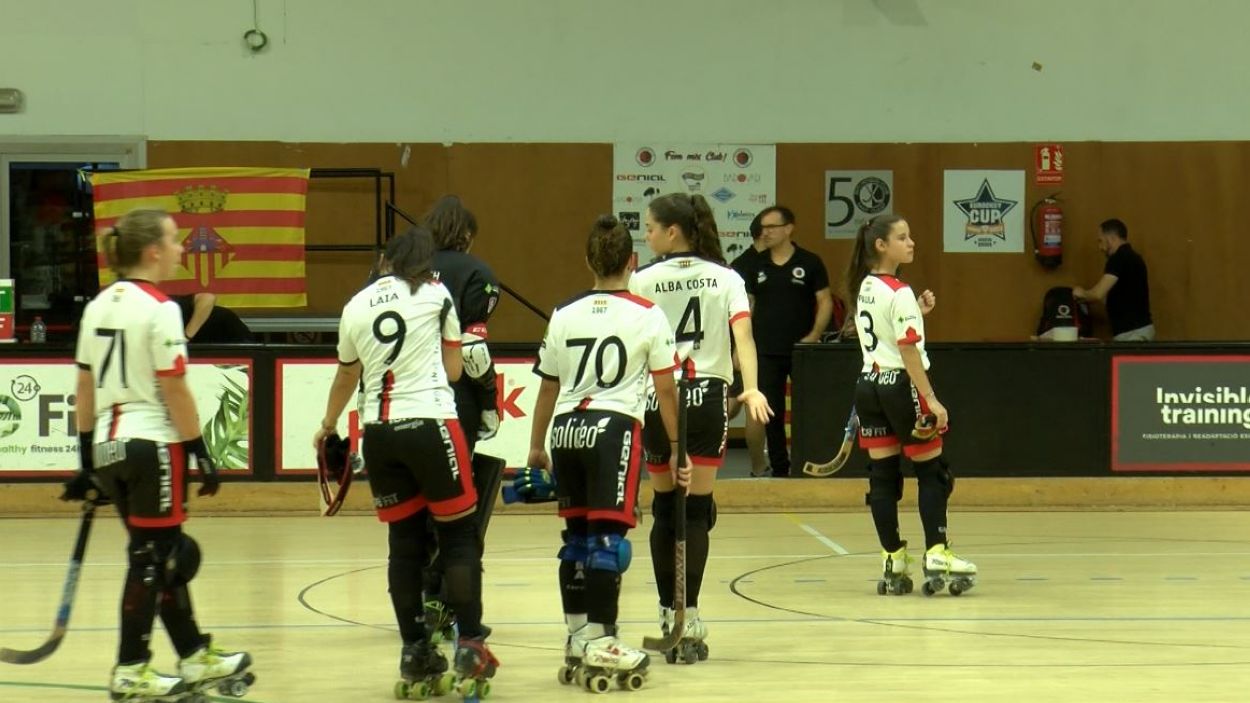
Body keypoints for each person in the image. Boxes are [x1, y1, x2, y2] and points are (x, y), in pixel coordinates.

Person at [61, 208, 250, 700]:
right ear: (152, 251)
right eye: (174, 241)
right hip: (152, 444)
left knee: (161, 556)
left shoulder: (99, 305)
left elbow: (83, 387)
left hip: (109, 443)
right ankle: (131, 668)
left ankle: (192, 655)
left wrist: (86, 461)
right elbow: (175, 390)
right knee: (154, 559)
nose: (182, 249)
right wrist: (200, 450)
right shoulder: (161, 308)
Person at [314, 226, 498, 695]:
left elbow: (346, 374)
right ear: (424, 263)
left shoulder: (356, 305)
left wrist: (328, 424)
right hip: (432, 423)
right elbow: (455, 370)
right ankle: (471, 643)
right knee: (458, 535)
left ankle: (415, 649)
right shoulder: (437, 296)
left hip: (378, 432)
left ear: (384, 260)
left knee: (404, 543)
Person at [528, 214, 686, 689]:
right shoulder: (647, 313)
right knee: (606, 543)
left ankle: (578, 637)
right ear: (632, 262)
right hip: (613, 429)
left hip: (567, 428)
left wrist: (536, 445)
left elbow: (547, 387)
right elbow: (665, 390)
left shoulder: (564, 312)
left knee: (574, 539)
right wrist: (678, 449)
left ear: (588, 261)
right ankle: (603, 641)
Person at [630, 192, 772, 663]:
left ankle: (665, 611)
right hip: (707, 398)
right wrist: (750, 387)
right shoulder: (727, 277)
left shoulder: (643, 279)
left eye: (650, 228)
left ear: (673, 232)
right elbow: (744, 337)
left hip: (658, 398)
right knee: (697, 510)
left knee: (666, 507)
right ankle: (688, 615)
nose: (646, 236)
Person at [845, 214, 977, 597]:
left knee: (883, 477)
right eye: (902, 237)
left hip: (869, 386)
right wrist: (931, 399)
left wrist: (916, 308)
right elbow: (906, 348)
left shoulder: (865, 286)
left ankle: (892, 558)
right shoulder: (898, 291)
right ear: (881, 246)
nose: (912, 242)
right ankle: (937, 552)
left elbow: (881, 330)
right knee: (933, 472)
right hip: (902, 387)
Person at [417, 195, 507, 649]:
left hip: (403, 399)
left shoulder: (400, 270)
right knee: (458, 508)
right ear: (467, 236)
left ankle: (418, 603)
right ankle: (450, 597)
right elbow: (473, 351)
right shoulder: (478, 274)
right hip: (456, 404)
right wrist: (490, 401)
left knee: (414, 510)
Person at [745, 206, 833, 477]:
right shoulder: (756, 265)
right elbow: (747, 308)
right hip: (766, 350)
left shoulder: (810, 262)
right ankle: (780, 469)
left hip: (802, 350)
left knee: (807, 410)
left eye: (772, 226)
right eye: (763, 227)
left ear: (788, 228)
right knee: (770, 414)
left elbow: (825, 301)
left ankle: (808, 463)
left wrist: (814, 336)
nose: (766, 232)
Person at [727, 213, 768, 476]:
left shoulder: (776, 263)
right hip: (745, 347)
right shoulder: (744, 265)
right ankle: (758, 468)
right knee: (735, 407)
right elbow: (744, 315)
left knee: (751, 406)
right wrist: (737, 351)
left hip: (765, 347)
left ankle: (759, 469)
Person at [1073, 218, 1154, 341]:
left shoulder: (1118, 259)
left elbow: (1098, 294)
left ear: (1111, 238)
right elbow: (1113, 298)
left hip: (1133, 334)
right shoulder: (1133, 257)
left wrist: (1081, 293)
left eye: (1100, 241)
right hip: (1138, 331)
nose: (1100, 247)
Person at [173, 292, 255, 344]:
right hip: (202, 344)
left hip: (228, 334)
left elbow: (208, 297)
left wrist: (186, 337)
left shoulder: (168, 304)